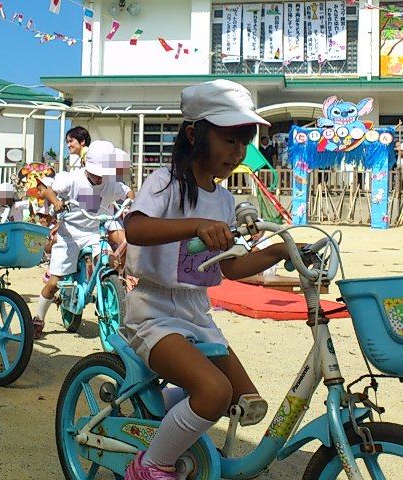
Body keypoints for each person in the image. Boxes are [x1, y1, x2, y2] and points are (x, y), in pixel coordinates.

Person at [121, 79, 293, 479]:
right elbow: (135, 229)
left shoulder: (225, 199)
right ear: (194, 134)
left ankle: (169, 415)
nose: (238, 152)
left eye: (244, 142)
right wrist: (195, 225)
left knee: (247, 401)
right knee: (214, 392)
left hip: (197, 313)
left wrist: (280, 251)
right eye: (229, 140)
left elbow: (229, 267)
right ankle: (150, 466)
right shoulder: (165, 182)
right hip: (153, 310)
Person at [33, 140, 133, 339]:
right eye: (96, 173)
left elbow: (128, 192)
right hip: (69, 234)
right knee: (54, 281)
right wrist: (56, 202)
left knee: (108, 262)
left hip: (95, 233)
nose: (99, 177)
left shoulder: (111, 184)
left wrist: (131, 203)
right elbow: (49, 189)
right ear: (87, 165)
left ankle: (110, 296)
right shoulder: (73, 179)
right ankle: (38, 317)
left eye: (103, 173)